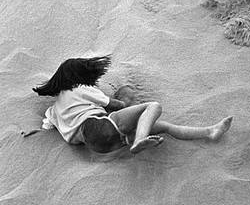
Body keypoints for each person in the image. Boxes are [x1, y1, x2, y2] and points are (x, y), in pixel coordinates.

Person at [32, 56, 232, 154]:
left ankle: (210, 131)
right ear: (78, 77)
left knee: (164, 127)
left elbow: (47, 125)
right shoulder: (79, 88)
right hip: (98, 127)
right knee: (153, 107)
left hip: (97, 146)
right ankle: (139, 140)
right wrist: (124, 96)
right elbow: (115, 104)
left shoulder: (53, 109)